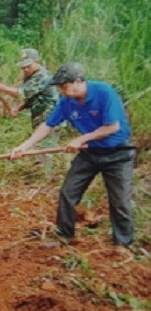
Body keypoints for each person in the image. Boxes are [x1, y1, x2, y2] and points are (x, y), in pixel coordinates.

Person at [10, 63, 135, 247]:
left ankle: (122, 245)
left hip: (118, 154)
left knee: (120, 201)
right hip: (89, 153)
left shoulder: (104, 92)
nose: (62, 90)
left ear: (78, 81)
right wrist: (24, 146)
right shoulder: (67, 102)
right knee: (68, 193)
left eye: (64, 86)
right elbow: (48, 125)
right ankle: (64, 236)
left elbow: (112, 127)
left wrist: (81, 139)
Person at [0, 48, 58, 129]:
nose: (25, 69)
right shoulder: (30, 75)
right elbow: (30, 96)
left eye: (28, 66)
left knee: (46, 141)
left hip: (50, 118)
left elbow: (21, 93)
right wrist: (18, 108)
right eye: (23, 67)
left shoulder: (42, 76)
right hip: (40, 118)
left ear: (36, 62)